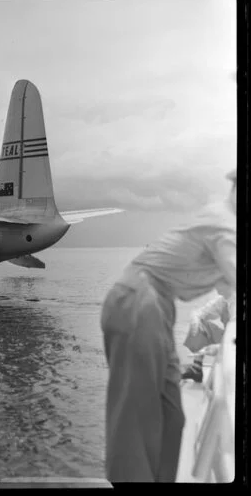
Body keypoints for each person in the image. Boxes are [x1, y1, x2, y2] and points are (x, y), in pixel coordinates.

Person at [100, 168, 236, 483]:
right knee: (137, 419)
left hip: (159, 303)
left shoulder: (225, 224)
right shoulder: (226, 226)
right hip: (138, 298)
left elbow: (229, 290)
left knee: (171, 417)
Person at [181, 293, 231, 383]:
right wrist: (196, 324)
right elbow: (198, 313)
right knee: (201, 323)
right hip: (228, 338)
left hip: (232, 343)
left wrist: (220, 347)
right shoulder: (223, 300)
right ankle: (197, 368)